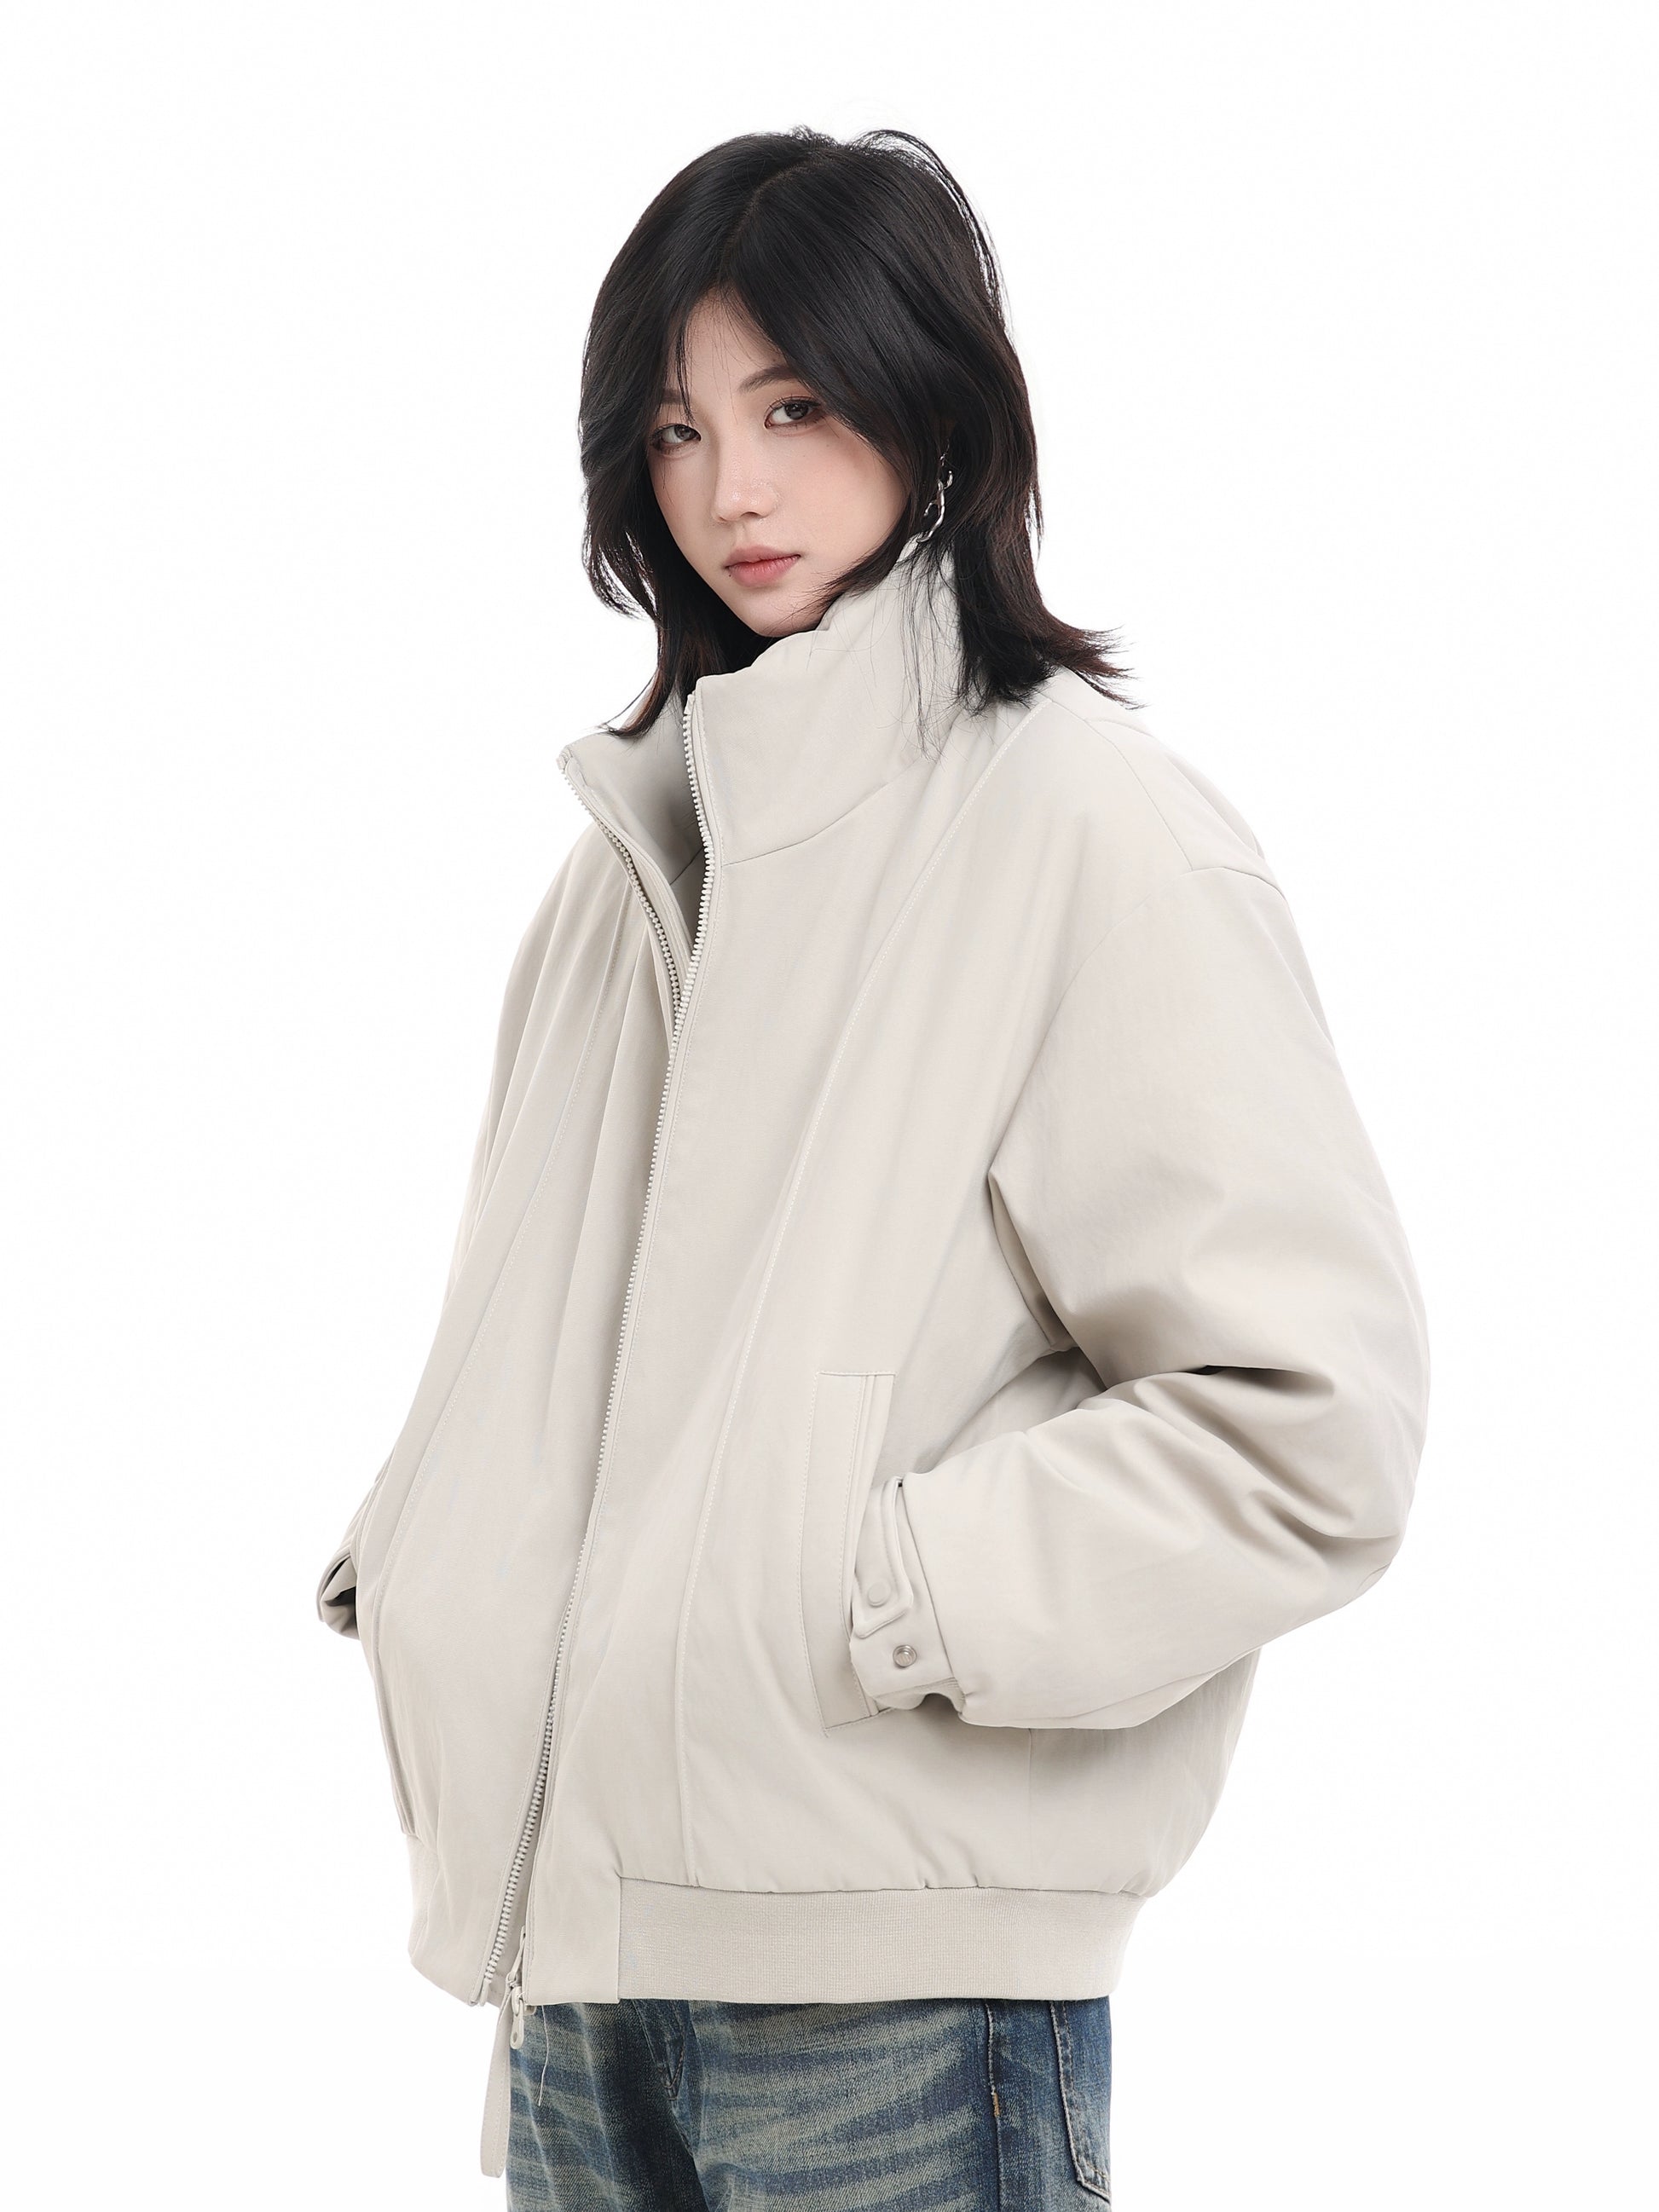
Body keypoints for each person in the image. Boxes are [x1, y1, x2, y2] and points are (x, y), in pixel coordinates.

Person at [315, 126, 1431, 2208]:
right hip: (576, 1979)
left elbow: (1309, 1423)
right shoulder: (621, 875)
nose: (731, 490)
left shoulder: (1087, 830)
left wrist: (875, 1596)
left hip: (900, 2002)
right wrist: (449, 1573)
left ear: (935, 409)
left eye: (795, 408)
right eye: (676, 430)